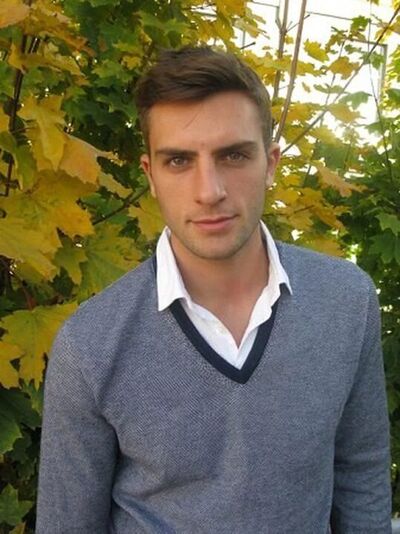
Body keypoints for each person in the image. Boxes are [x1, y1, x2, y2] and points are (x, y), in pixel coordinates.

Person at [36, 46, 392, 533]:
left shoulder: (346, 302)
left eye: (233, 155)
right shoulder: (90, 347)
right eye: (179, 160)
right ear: (151, 176)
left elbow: (362, 476)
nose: (209, 191)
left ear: (270, 163)